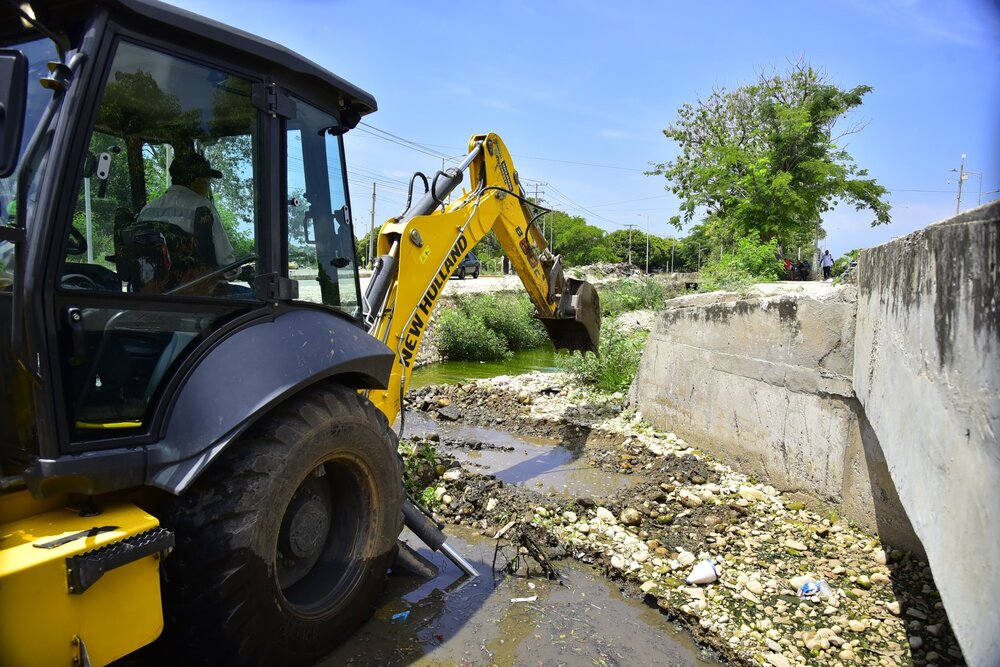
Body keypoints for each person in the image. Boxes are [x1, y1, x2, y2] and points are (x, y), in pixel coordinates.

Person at [134, 152, 241, 293]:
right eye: (207, 181)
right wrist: (236, 270)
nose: (208, 186)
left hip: (152, 292)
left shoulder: (147, 210)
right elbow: (225, 262)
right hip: (194, 294)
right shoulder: (203, 208)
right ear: (196, 181)